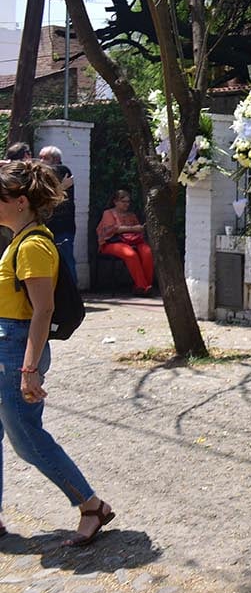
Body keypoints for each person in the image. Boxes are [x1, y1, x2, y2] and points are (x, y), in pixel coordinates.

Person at [0, 160, 114, 546]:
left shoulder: (32, 245)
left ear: (18, 202)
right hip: (8, 345)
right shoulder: (20, 238)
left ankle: (90, 504)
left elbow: (42, 310)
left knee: (27, 439)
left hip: (16, 349)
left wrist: (28, 368)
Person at [96, 190, 153, 294]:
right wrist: (132, 228)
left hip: (133, 241)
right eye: (123, 201)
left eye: (128, 202)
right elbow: (112, 229)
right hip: (112, 242)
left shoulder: (131, 215)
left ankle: (146, 285)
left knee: (147, 252)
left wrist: (137, 230)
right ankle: (142, 286)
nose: (126, 204)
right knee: (130, 254)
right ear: (115, 202)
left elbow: (138, 230)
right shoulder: (108, 213)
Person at [39, 146, 77, 285]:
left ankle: (73, 295)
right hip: (49, 225)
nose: (41, 161)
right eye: (40, 157)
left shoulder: (61, 171)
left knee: (66, 260)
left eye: (45, 158)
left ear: (55, 159)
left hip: (62, 226)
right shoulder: (45, 174)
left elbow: (48, 195)